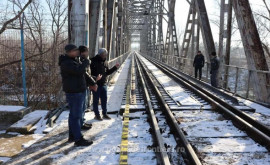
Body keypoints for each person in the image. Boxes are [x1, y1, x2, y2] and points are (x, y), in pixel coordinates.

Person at [59, 44, 98, 146]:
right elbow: (79, 71)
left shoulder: (74, 60)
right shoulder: (66, 63)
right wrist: (85, 62)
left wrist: (92, 83)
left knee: (73, 115)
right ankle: (78, 139)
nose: (77, 52)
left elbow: (83, 73)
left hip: (77, 91)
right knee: (76, 116)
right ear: (69, 52)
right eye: (75, 50)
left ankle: (73, 135)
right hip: (74, 92)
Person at [90, 48, 120, 120]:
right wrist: (94, 79)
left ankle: (104, 113)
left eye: (106, 54)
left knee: (104, 100)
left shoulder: (105, 62)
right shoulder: (92, 61)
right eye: (104, 54)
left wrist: (115, 67)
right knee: (96, 100)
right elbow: (89, 73)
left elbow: (107, 73)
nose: (105, 55)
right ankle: (97, 115)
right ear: (100, 54)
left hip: (104, 83)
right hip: (96, 84)